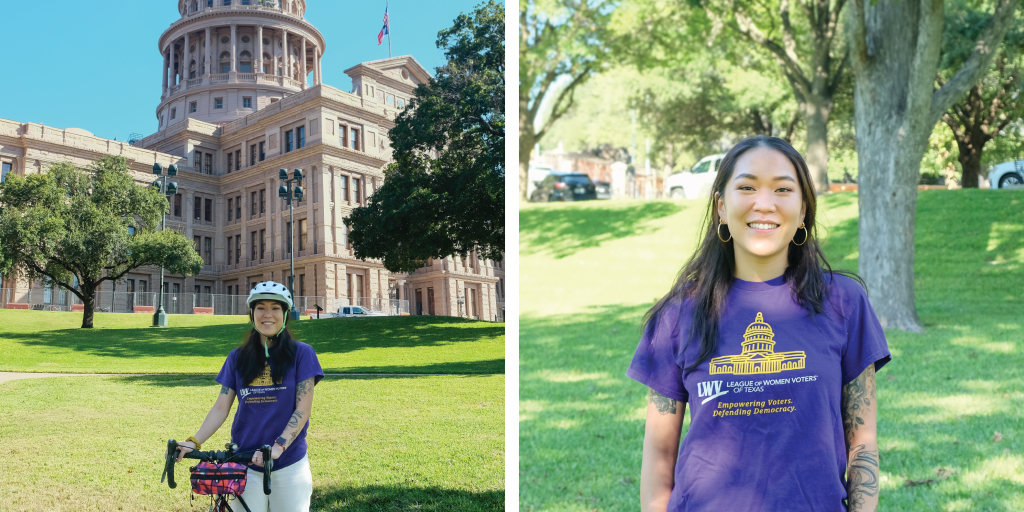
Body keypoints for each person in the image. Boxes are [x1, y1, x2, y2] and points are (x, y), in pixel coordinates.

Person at [627, 136, 890, 512]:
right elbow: (659, 452)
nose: (763, 203)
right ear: (721, 206)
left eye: (783, 189)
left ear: (803, 210)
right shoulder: (679, 313)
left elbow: (862, 441)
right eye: (747, 187)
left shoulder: (844, 302)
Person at [174, 281, 324, 512]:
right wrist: (192, 442)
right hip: (245, 464)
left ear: (285, 314)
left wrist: (278, 447)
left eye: (275, 308)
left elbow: (302, 409)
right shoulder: (237, 358)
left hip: (289, 465)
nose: (267, 314)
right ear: (252, 313)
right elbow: (220, 409)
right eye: (261, 307)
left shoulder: (302, 353)